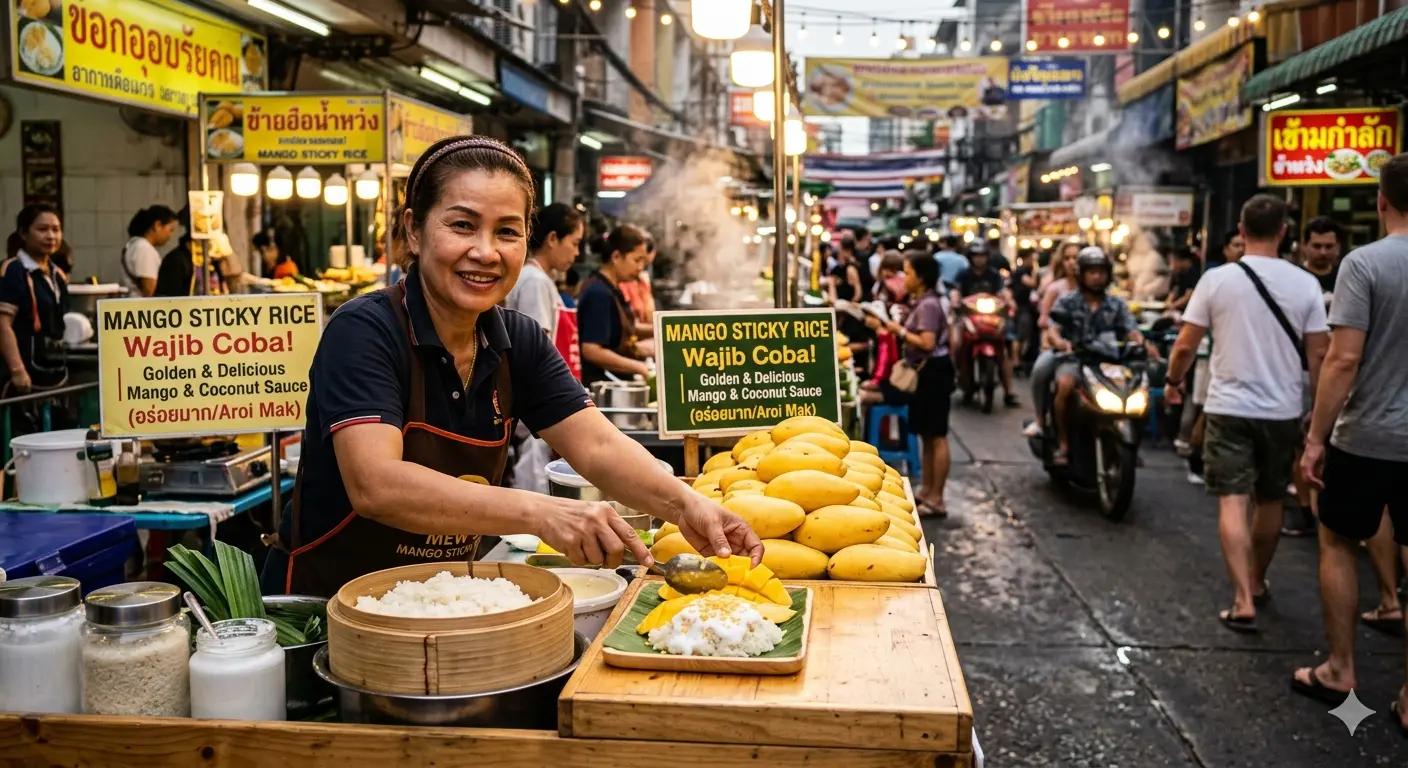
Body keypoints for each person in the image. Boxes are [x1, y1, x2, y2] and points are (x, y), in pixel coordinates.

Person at [258, 136, 761, 598]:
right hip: (324, 611)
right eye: (461, 225)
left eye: (507, 232)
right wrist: (541, 512)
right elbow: (377, 484)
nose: (485, 252)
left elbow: (598, 445)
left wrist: (685, 503)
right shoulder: (364, 330)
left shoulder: (517, 339)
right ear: (413, 230)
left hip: (441, 602)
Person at [1165, 194, 1329, 634]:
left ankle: (1240, 599)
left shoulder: (1217, 281)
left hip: (1228, 408)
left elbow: (1185, 344)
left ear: (1241, 230)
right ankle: (1256, 580)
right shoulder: (1305, 285)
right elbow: (1320, 357)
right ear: (1283, 232)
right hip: (1283, 409)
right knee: (1271, 498)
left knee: (1233, 502)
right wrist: (1316, 412)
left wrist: (1173, 382)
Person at [1293, 155, 1408, 715]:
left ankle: (1340, 669)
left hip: (1367, 438)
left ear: (1381, 201)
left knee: (1337, 541)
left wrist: (1316, 438)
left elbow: (1342, 360)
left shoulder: (1363, 265)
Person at [865, 251, 954, 517]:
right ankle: (926, 490)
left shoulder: (928, 305)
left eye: (910, 273)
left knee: (936, 436)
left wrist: (899, 331)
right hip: (926, 373)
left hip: (934, 373)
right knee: (926, 434)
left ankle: (937, 498)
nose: (905, 278)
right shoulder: (922, 302)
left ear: (922, 277)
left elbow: (927, 342)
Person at [1045, 247, 1145, 463]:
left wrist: (1140, 343)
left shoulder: (1116, 303)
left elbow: (1132, 329)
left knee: (1138, 390)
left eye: (1101, 272)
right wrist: (1060, 342)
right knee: (1064, 384)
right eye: (1092, 272)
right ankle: (1063, 443)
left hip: (1109, 361)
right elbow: (1053, 328)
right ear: (1082, 274)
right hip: (1076, 359)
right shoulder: (1068, 301)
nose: (1097, 277)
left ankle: (1132, 444)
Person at [0, 204, 70, 394]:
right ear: (24, 233)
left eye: (56, 229)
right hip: (22, 377)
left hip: (52, 371)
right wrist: (17, 370)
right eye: (42, 229)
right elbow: (3, 324)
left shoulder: (58, 275)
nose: (50, 236)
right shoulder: (13, 271)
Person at [506, 202, 583, 371]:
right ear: (553, 239)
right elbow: (536, 352)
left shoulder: (541, 279)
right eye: (575, 243)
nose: (577, 252)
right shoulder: (534, 281)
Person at [578, 224, 653, 385]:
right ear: (617, 257)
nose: (640, 268)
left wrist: (663, 329)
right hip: (603, 388)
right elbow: (591, 350)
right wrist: (638, 366)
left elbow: (626, 327)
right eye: (637, 260)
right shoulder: (598, 293)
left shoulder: (613, 288)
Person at [1023, 242, 1082, 437]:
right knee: (1040, 371)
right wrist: (1053, 336)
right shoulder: (1056, 288)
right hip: (1057, 347)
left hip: (1088, 349)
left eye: (1076, 258)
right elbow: (1044, 318)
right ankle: (1040, 419)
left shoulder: (1093, 290)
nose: (1072, 263)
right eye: (1068, 258)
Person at [952, 246, 1018, 407]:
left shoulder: (994, 275)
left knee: (1003, 350)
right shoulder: (964, 275)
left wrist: (1009, 300)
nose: (979, 259)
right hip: (969, 317)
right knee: (956, 344)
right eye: (976, 256)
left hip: (992, 318)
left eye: (982, 255)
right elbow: (955, 291)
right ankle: (956, 376)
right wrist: (955, 300)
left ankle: (1009, 392)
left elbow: (1004, 291)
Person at [122, 205, 177, 297]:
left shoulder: (134, 245)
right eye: (170, 230)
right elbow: (149, 289)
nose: (170, 236)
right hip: (141, 307)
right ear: (158, 225)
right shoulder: (144, 248)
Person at [618, 235, 656, 326]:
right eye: (637, 260)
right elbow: (629, 325)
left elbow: (650, 315)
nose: (640, 268)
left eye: (645, 264)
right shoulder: (622, 283)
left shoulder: (643, 281)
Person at [1301, 216, 1344, 296]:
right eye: (1317, 246)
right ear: (1305, 245)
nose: (1323, 252)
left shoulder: (1344, 278)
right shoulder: (1295, 276)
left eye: (1329, 246)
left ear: (1338, 247)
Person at [1165, 247, 1201, 312]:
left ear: (1184, 260)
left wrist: (1174, 305)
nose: (1172, 265)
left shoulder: (1193, 272)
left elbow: (1189, 295)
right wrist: (1169, 301)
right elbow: (1174, 289)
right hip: (1176, 308)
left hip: (1188, 310)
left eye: (1174, 261)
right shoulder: (1178, 272)